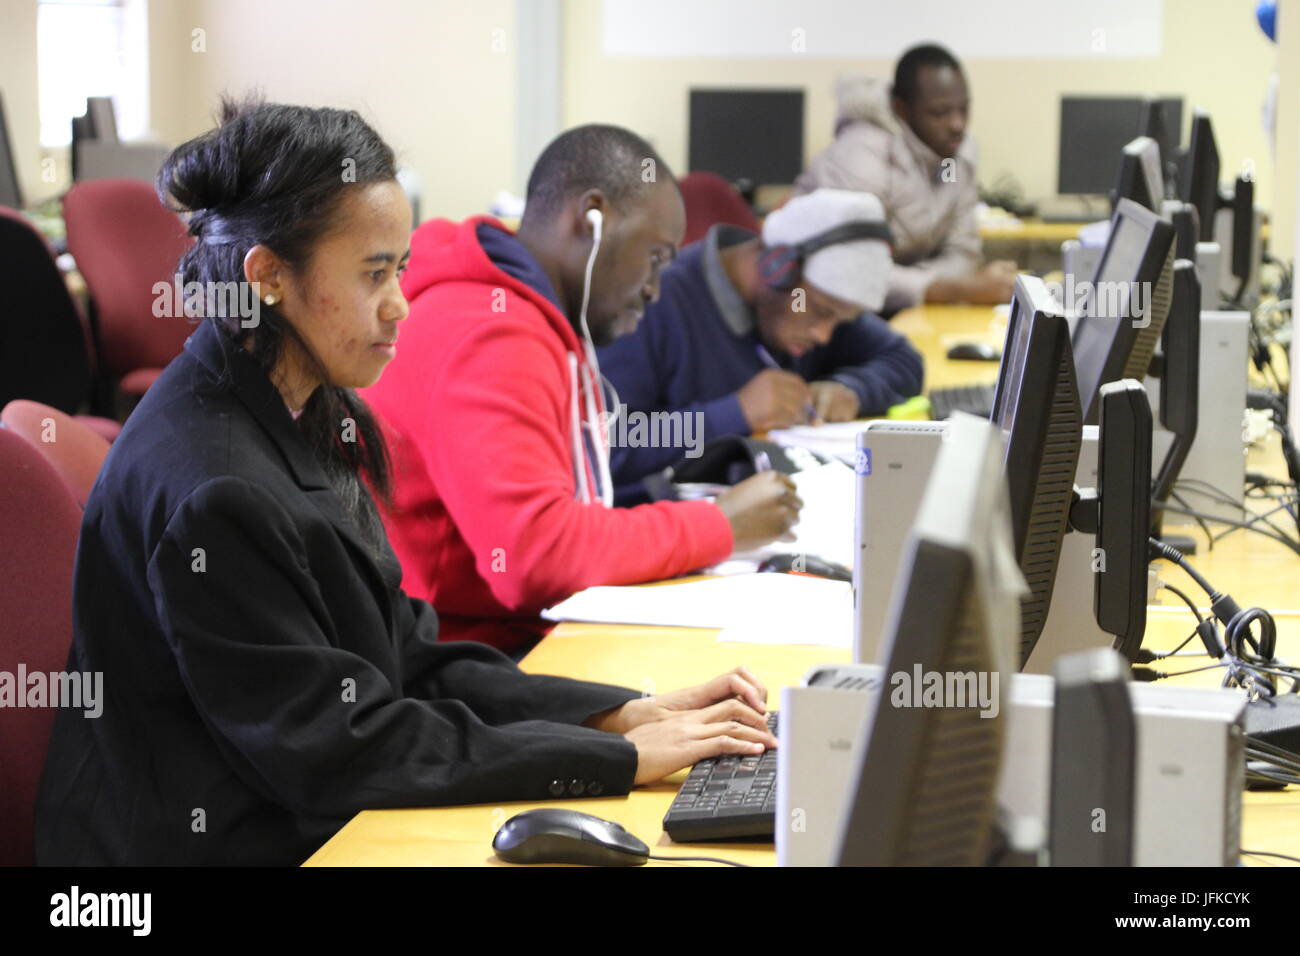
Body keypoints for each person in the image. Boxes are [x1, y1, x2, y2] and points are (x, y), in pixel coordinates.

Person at [34, 101, 778, 867]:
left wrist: (617, 716)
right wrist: (615, 763)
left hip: (289, 802)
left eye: (402, 269)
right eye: (374, 274)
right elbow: (337, 749)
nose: (401, 305)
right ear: (267, 279)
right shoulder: (219, 490)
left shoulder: (306, 405)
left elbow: (408, 652)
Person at [362, 125, 801, 657]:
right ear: (592, 219)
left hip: (496, 640)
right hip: (459, 664)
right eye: (656, 258)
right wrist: (718, 524)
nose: (654, 289)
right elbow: (533, 557)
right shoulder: (492, 331)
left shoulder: (530, 316)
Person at [599, 188, 924, 496]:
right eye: (822, 312)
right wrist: (734, 413)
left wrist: (853, 390)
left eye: (840, 321)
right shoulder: (650, 304)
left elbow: (904, 359)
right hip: (672, 528)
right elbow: (611, 447)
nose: (825, 335)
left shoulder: (816, 298)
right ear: (776, 269)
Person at [793, 43, 1016, 314]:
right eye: (940, 112)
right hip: (824, 310)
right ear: (902, 109)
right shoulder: (861, 155)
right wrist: (956, 289)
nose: (958, 124)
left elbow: (963, 252)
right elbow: (851, 270)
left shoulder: (957, 152)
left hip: (903, 305)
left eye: (964, 109)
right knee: (905, 356)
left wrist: (930, 285)